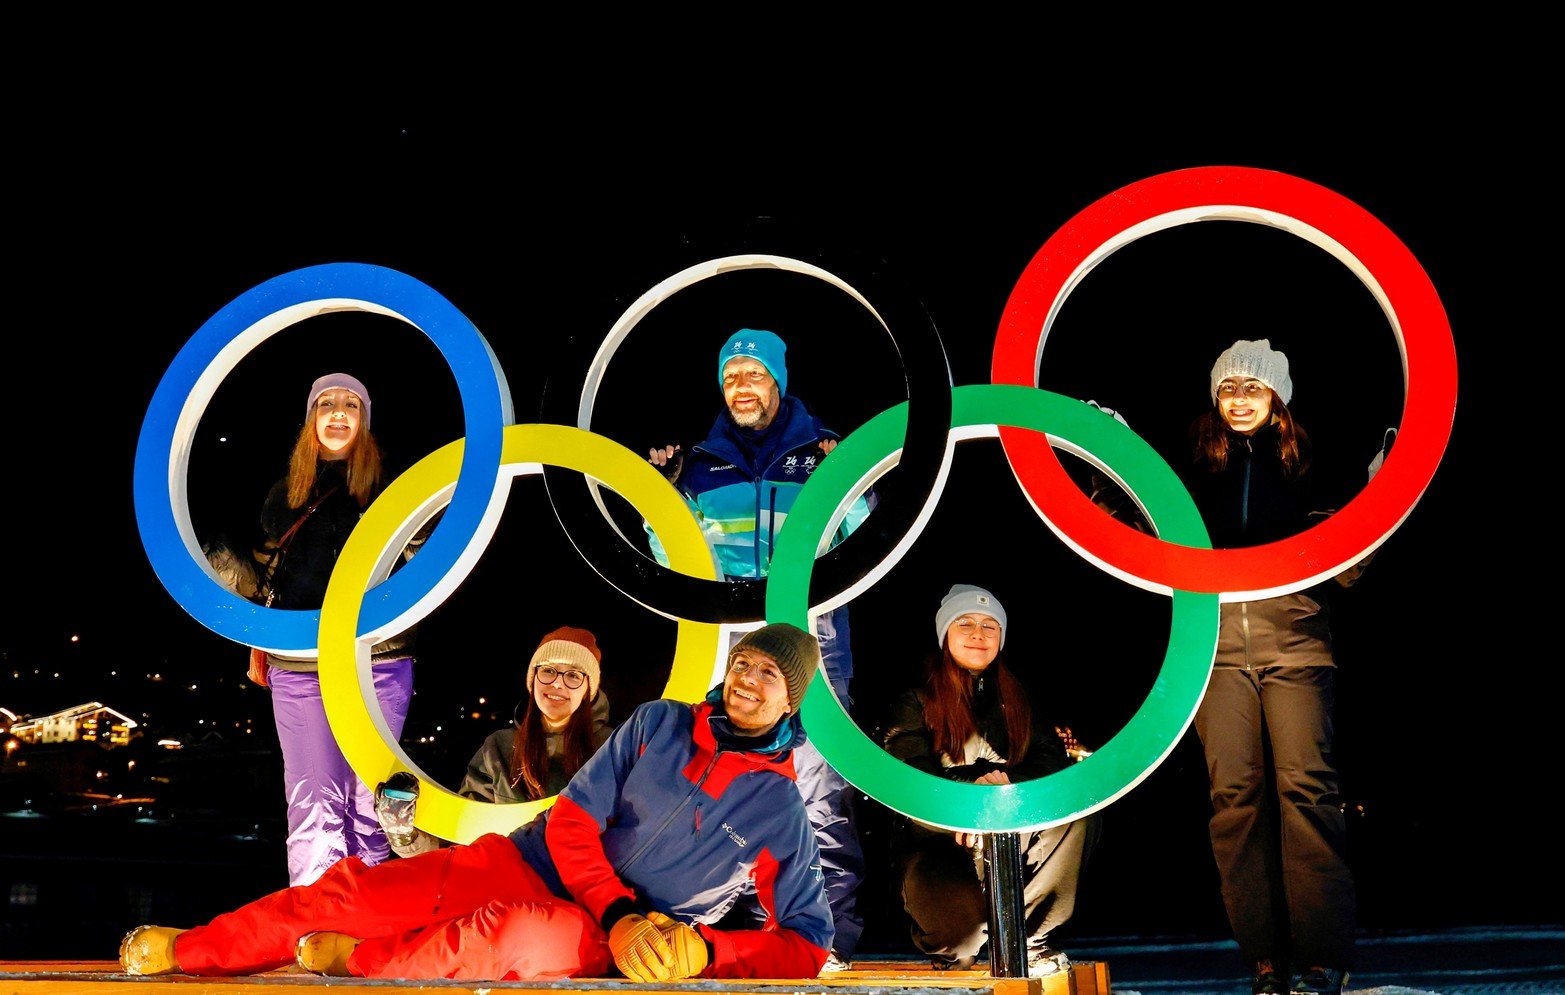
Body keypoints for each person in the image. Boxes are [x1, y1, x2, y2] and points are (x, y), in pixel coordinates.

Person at [117, 622, 834, 982]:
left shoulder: (777, 807)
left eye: (768, 673)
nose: (746, 678)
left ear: (790, 696)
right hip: (532, 863)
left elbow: (806, 939)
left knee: (509, 935)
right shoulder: (659, 723)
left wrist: (705, 949)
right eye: (742, 662)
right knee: (349, 891)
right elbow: (575, 819)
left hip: (615, 937)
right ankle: (194, 947)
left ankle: (360, 963)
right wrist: (615, 909)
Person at [1092, 340, 1359, 995]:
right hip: (1209, 649)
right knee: (1232, 801)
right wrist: (1109, 463)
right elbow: (1149, 530)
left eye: (1254, 387)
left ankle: (1321, 955)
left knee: (1306, 794)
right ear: (1214, 396)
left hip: (1293, 640)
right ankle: (1264, 957)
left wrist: (1368, 516)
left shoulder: (1310, 462)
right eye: (1229, 386)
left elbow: (1346, 558)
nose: (1240, 398)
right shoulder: (1190, 462)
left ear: (1277, 399)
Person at [645, 327, 871, 969]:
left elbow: (863, 548)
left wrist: (845, 483)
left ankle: (829, 943)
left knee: (819, 795)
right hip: (728, 643)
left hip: (810, 636)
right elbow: (674, 566)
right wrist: (661, 497)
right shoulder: (699, 463)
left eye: (753, 374)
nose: (741, 387)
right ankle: (737, 942)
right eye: (731, 377)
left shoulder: (822, 451)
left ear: (778, 380)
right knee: (726, 789)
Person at [249, 372, 432, 887]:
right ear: (310, 420)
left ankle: (365, 926)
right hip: (299, 663)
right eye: (325, 403)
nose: (336, 412)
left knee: (370, 799)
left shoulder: (390, 487)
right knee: (311, 797)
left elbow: (422, 566)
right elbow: (269, 573)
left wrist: (413, 524)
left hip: (378, 659)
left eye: (349, 404)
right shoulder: (283, 495)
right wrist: (259, 638)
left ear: (363, 421)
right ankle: (314, 922)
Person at [882, 584, 1102, 978]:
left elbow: (1049, 760)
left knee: (1074, 810)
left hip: (1012, 834)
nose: (978, 634)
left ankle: (1032, 942)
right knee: (960, 943)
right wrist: (969, 805)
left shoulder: (1019, 700)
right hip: (942, 843)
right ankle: (952, 943)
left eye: (989, 626)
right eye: (964, 623)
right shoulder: (915, 700)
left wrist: (1000, 794)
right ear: (944, 634)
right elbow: (907, 773)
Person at [373, 627, 614, 857]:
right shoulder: (499, 748)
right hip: (508, 893)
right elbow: (459, 843)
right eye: (549, 670)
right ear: (533, 680)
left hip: (584, 893)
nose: (558, 683)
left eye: (573, 675)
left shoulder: (613, 750)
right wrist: (404, 835)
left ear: (588, 689)